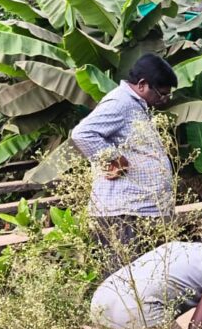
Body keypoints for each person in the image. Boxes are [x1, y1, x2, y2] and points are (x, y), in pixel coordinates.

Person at [71, 54, 179, 270]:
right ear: (142, 84)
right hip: (125, 214)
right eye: (161, 93)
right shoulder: (120, 102)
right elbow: (83, 133)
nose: (164, 100)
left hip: (140, 211)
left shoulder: (137, 104)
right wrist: (114, 159)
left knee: (144, 281)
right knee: (124, 282)